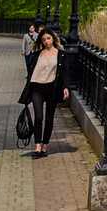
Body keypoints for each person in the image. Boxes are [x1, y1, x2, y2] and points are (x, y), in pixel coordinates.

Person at [19, 28, 65, 158]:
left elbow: (64, 73)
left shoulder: (60, 54)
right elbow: (31, 72)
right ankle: (37, 145)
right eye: (44, 39)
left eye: (48, 39)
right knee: (39, 117)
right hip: (37, 87)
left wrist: (65, 88)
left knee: (49, 118)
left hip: (52, 88)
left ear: (53, 39)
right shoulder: (37, 54)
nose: (46, 41)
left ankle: (45, 145)